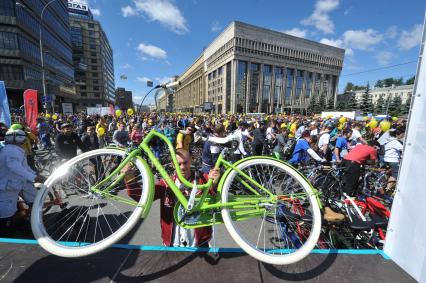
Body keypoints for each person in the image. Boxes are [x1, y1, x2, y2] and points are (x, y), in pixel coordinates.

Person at [126, 149, 220, 247]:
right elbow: (140, 196)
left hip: (200, 242)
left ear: (191, 160)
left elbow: (217, 203)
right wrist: (129, 177)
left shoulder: (204, 179)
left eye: (185, 162)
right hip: (172, 243)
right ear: (173, 164)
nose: (182, 167)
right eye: (178, 164)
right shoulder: (166, 184)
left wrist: (214, 185)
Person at [0, 128, 39, 234]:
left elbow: (25, 167)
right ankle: (8, 230)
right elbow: (14, 166)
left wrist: (35, 175)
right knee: (6, 214)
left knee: (36, 198)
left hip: (17, 183)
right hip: (7, 186)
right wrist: (33, 177)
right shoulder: (12, 150)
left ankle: (26, 220)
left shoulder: (14, 150)